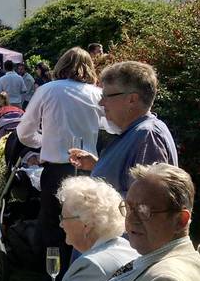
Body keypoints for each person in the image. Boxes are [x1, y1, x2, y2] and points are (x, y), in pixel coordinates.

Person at [17, 47, 103, 276]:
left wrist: (46, 142)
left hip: (57, 169)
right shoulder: (96, 94)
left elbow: (24, 132)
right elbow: (111, 127)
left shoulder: (48, 90)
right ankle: (83, 274)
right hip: (88, 169)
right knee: (87, 224)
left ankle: (53, 278)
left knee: (53, 227)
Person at [74, 164, 200, 281]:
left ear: (180, 220)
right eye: (128, 207)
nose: (131, 218)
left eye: (144, 210)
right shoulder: (167, 258)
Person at [69, 61, 177, 197]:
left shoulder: (147, 136)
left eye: (106, 96)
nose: (101, 103)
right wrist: (97, 165)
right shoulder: (137, 133)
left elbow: (147, 203)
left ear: (132, 99)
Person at [44, 177, 138, 281]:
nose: (61, 224)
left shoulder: (91, 265)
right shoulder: (126, 248)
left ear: (86, 224)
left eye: (64, 218)